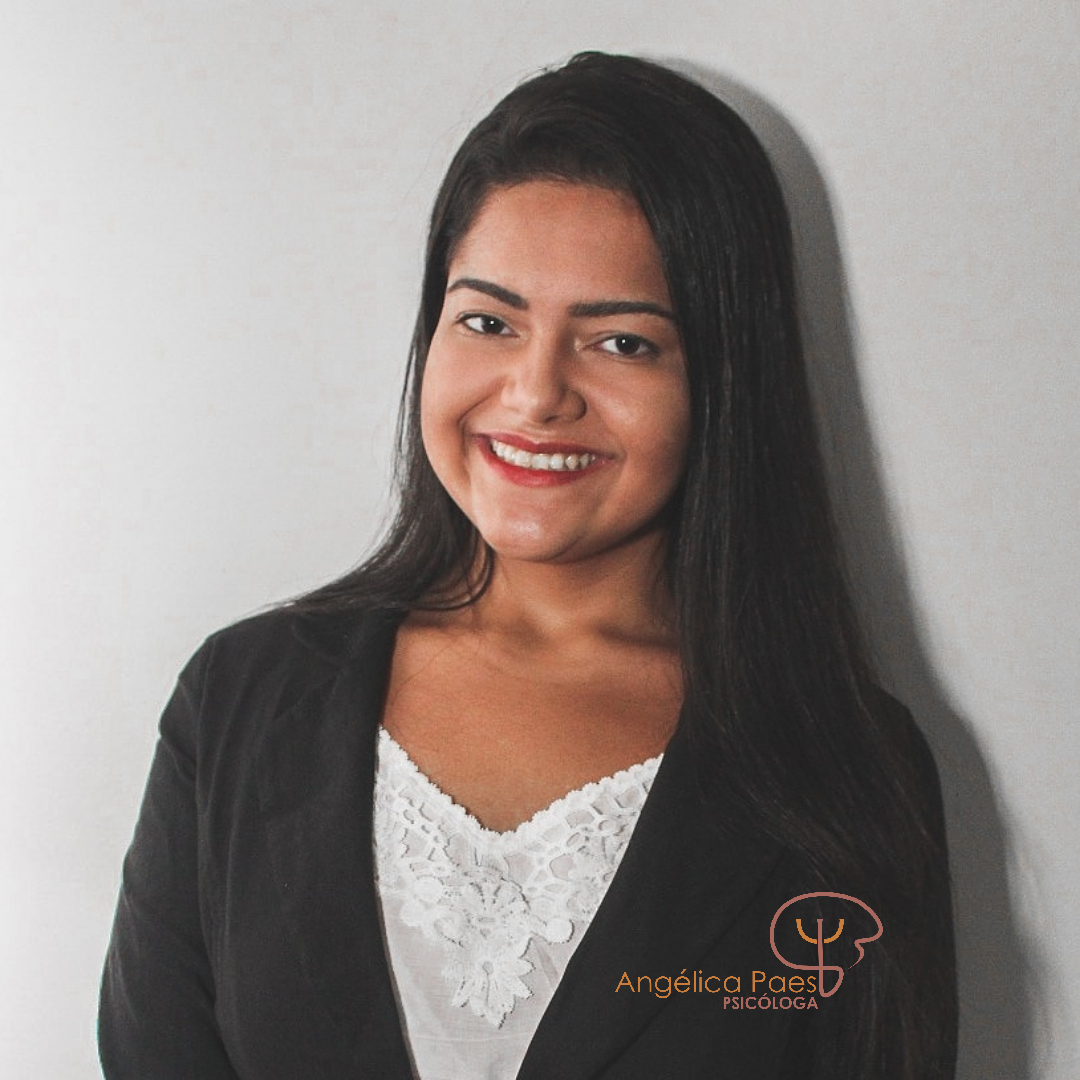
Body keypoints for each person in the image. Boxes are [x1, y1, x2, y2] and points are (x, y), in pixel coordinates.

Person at [99, 51, 957, 1079]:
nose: (536, 392)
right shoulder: (239, 703)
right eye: (489, 321)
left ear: (724, 381)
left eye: (623, 343)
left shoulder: (843, 763)